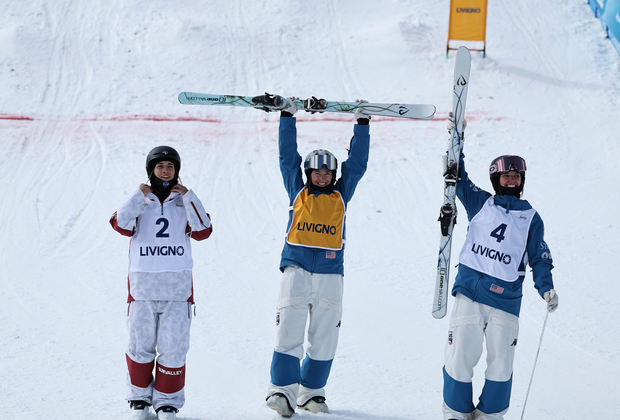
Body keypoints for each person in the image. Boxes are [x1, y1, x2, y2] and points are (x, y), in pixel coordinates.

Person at [441, 115, 559, 420]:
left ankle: (490, 416)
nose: (512, 180)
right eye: (506, 176)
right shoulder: (481, 202)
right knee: (459, 358)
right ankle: (456, 414)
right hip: (469, 291)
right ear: (496, 180)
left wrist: (546, 288)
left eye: (516, 176)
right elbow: (458, 174)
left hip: (506, 300)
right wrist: (457, 137)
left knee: (501, 365)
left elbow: (539, 257)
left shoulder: (531, 217)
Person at [265, 100, 370, 417]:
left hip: (330, 274)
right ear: (308, 173)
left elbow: (358, 164)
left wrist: (362, 125)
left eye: (328, 172)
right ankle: (282, 392)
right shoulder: (297, 189)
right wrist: (287, 117)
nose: (323, 176)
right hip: (296, 270)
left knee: (325, 338)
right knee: (290, 333)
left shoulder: (342, 193)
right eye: (317, 172)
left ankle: (311, 393)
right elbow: (287, 158)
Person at [109, 146, 212, 420]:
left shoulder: (183, 202)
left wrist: (189, 196)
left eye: (170, 166)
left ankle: (167, 402)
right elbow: (120, 224)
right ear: (150, 170)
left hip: (177, 291)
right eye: (160, 166)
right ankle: (139, 400)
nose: (165, 171)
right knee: (139, 345)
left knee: (174, 346)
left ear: (177, 171)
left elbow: (203, 231)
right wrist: (138, 194)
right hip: (142, 289)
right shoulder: (141, 201)